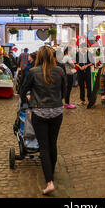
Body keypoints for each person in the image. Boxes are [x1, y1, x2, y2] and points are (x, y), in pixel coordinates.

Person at [19, 46, 66, 195]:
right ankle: (50, 173)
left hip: (39, 112)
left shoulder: (33, 72)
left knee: (44, 147)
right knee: (53, 143)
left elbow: (22, 90)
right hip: (57, 111)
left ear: (38, 56)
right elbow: (64, 92)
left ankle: (49, 181)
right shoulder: (59, 70)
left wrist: (27, 97)